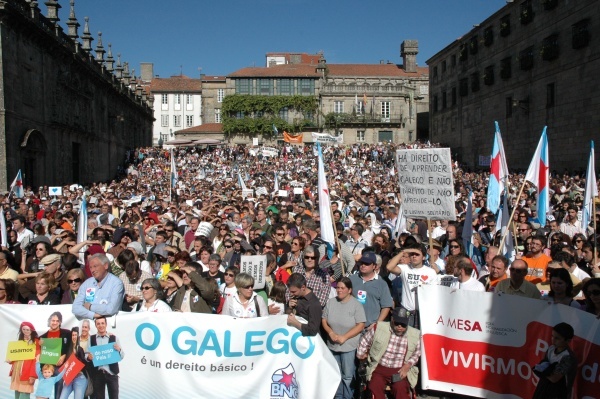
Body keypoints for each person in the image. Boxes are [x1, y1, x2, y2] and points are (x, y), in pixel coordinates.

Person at [356, 307, 421, 399]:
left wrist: (408, 365)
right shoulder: (379, 327)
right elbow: (364, 341)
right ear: (392, 319)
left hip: (399, 369)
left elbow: (417, 353)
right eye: (397, 323)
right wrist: (362, 356)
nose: (400, 327)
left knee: (401, 389)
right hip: (379, 368)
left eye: (403, 324)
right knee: (374, 387)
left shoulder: (415, 334)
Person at [321, 277, 366, 399]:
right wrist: (330, 332)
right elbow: (324, 319)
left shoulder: (356, 305)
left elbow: (361, 324)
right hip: (332, 345)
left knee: (347, 376)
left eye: (342, 288)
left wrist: (345, 337)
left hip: (348, 347)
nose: (339, 290)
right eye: (337, 288)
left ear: (349, 290)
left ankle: (348, 397)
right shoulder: (331, 302)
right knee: (336, 374)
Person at [386, 243, 438, 328]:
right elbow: (389, 267)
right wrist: (404, 252)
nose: (414, 256)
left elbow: (435, 292)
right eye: (412, 254)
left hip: (422, 312)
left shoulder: (430, 272)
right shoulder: (405, 268)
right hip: (406, 311)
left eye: (417, 254)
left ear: (424, 257)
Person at [72, 253, 125, 320]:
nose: (92, 270)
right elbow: (75, 308)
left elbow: (111, 309)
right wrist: (93, 315)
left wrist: (90, 307)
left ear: (105, 266)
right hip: (89, 326)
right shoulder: (87, 283)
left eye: (95, 266)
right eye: (90, 267)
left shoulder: (116, 283)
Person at [531, 322, 578, 399]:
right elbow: (542, 366)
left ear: (568, 341)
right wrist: (545, 370)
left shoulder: (568, 357)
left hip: (557, 393)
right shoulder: (551, 349)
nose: (553, 340)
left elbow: (554, 378)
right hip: (542, 388)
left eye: (557, 338)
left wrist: (543, 370)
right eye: (552, 336)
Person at [349, 251, 393, 328]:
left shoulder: (382, 283)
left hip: (369, 327)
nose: (363, 265)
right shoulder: (351, 279)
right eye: (362, 263)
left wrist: (377, 323)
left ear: (374, 266)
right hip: (352, 325)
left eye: (367, 264)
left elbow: (386, 306)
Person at [86, 316, 123, 399]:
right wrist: (88, 357)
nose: (101, 325)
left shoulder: (114, 338)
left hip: (112, 373)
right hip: (98, 374)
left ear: (106, 324)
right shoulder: (91, 339)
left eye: (102, 323)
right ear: (95, 325)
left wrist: (119, 349)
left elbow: (122, 355)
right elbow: (86, 354)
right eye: (98, 324)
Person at [9, 321, 40, 399]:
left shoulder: (36, 342)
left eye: (27, 330)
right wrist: (11, 360)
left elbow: (36, 360)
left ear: (31, 330)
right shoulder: (20, 341)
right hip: (17, 372)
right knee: (17, 395)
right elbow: (17, 355)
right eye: (24, 329)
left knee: (24, 395)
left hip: (27, 372)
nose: (26, 331)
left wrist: (33, 375)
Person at [59, 327, 89, 399]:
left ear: (78, 336)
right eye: (73, 335)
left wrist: (77, 356)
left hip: (80, 377)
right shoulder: (67, 349)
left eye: (75, 335)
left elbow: (84, 364)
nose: (74, 337)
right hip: (69, 377)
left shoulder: (80, 349)